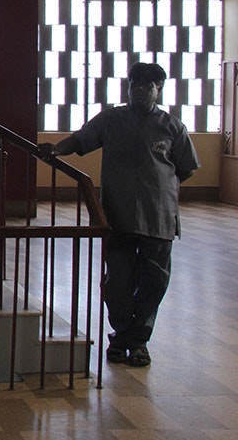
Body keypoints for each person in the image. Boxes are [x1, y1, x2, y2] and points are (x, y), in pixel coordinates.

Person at [39, 62, 199, 368]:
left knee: (155, 281)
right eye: (134, 83)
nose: (139, 89)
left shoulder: (171, 126)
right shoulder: (112, 119)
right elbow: (81, 139)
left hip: (159, 216)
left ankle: (138, 341)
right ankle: (122, 333)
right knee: (117, 281)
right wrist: (57, 150)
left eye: (147, 85)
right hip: (118, 214)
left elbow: (185, 169)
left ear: (158, 89)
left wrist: (159, 185)